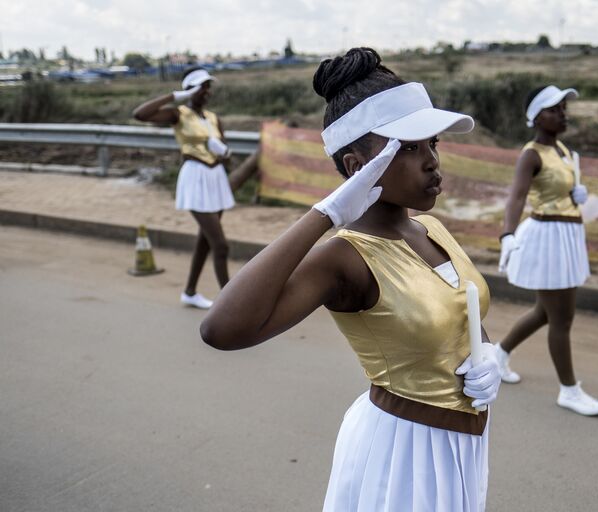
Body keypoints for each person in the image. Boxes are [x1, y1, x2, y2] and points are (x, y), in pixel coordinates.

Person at [200, 48, 502, 511]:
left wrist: (489, 352)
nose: (432, 162)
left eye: (433, 144)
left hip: (463, 444)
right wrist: (326, 213)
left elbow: (462, 307)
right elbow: (221, 329)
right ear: (357, 167)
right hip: (403, 455)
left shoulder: (431, 228)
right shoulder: (345, 258)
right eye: (408, 147)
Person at [495, 85, 598, 417]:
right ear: (537, 117)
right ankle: (569, 391)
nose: (563, 114)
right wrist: (507, 234)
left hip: (568, 232)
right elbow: (516, 197)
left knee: (546, 312)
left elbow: (560, 190)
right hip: (548, 237)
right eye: (555, 109)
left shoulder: (562, 150)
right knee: (562, 317)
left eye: (564, 108)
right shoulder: (531, 153)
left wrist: (576, 195)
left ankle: (499, 354)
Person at [132, 66, 260, 309]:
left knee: (207, 240)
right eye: (202, 87)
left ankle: (190, 292)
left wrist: (223, 152)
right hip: (195, 179)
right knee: (220, 245)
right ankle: (230, 302)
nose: (207, 92)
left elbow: (227, 158)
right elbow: (140, 114)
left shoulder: (213, 118)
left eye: (208, 87)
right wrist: (173, 97)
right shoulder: (178, 114)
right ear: (190, 90)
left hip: (215, 179)